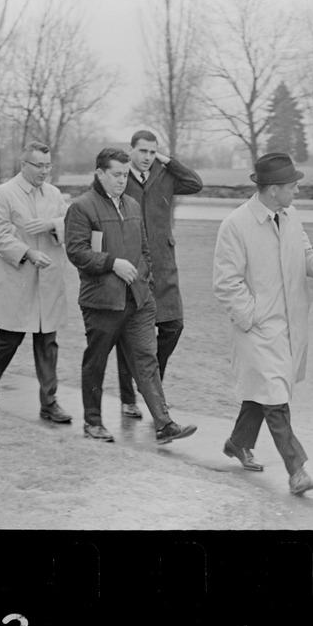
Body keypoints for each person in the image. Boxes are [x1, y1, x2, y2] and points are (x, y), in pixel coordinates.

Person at [213, 152, 313, 496]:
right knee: (275, 398)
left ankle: (238, 443)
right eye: (292, 185)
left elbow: (305, 254)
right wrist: (251, 317)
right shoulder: (236, 225)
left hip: (289, 326)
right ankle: (297, 470)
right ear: (272, 189)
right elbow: (226, 283)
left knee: (263, 393)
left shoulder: (291, 216)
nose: (297, 190)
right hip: (258, 329)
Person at [64, 147, 197, 445]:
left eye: (125, 175)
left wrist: (144, 280)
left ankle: (165, 425)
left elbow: (146, 251)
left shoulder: (133, 206)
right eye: (116, 175)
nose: (122, 181)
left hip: (138, 301)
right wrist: (112, 264)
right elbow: (76, 251)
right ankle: (93, 423)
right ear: (100, 174)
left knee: (147, 360)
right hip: (102, 302)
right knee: (96, 361)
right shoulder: (82, 208)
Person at [0, 141, 72, 423]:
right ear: (24, 165)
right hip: (17, 279)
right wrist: (28, 252)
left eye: (48, 165)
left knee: (47, 342)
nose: (45, 171)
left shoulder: (54, 194)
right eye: (39, 166)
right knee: (9, 339)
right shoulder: (4, 193)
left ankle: (49, 403)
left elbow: (70, 221)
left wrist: (52, 225)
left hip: (48, 280)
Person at [115, 130, 203, 420]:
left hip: (164, 264)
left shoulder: (164, 174)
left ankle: (151, 385)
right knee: (128, 334)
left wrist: (167, 160)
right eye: (142, 151)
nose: (147, 158)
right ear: (131, 151)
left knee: (173, 326)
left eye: (153, 152)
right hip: (132, 263)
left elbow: (195, 183)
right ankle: (129, 398)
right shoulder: (119, 177)